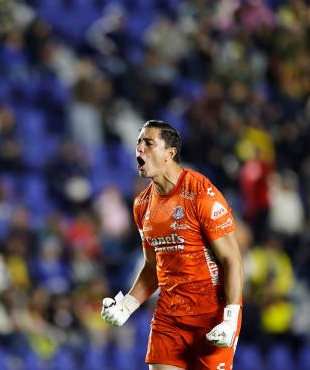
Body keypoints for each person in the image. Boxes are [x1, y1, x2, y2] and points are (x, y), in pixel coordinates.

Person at [101, 120, 244, 370]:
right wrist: (127, 306)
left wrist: (230, 318)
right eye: (138, 142)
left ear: (170, 153)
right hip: (169, 317)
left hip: (211, 316)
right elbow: (152, 265)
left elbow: (231, 259)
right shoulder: (142, 205)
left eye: (148, 142)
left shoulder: (201, 193)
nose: (139, 148)